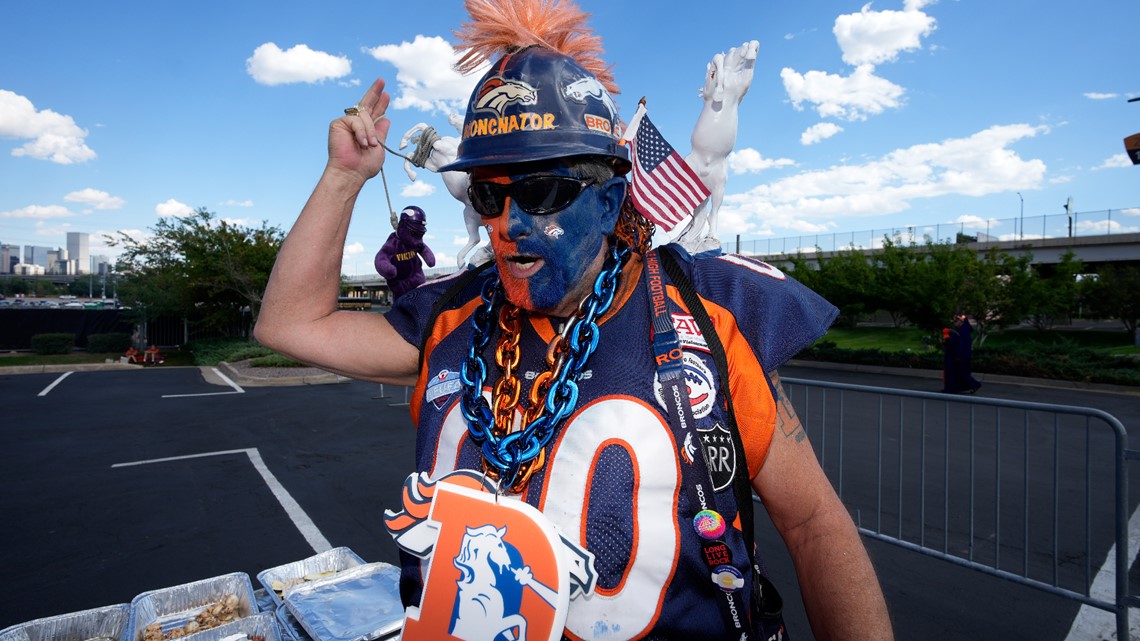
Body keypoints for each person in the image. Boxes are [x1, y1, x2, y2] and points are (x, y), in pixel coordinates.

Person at [255, 2, 892, 638]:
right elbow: (289, 325)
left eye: (541, 191)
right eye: (489, 194)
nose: (508, 224)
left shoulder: (710, 314)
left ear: (612, 198)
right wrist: (344, 177)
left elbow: (813, 526)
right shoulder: (450, 316)